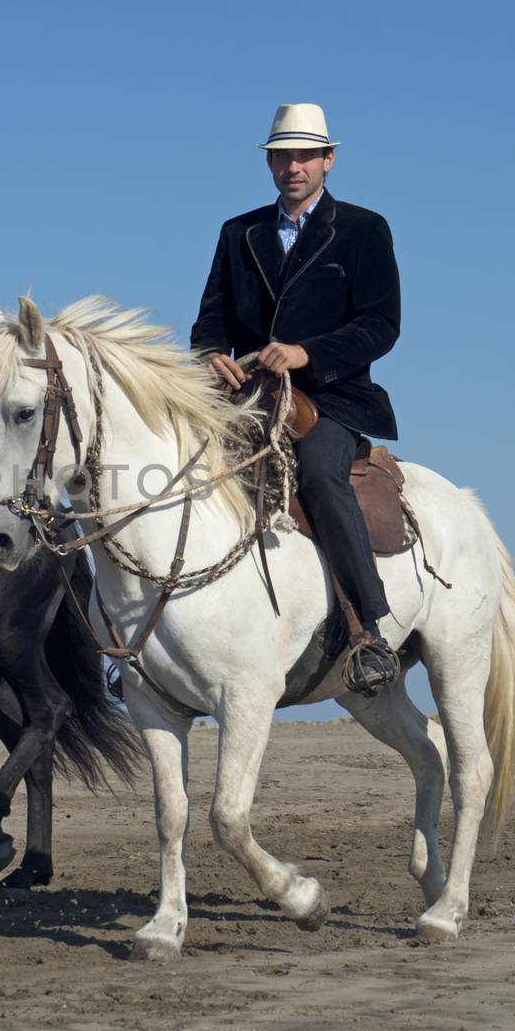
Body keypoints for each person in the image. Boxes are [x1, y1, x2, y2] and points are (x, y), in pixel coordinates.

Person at [190, 104, 402, 695]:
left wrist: (307, 353)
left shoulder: (365, 229)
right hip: (249, 397)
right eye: (282, 156)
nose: (293, 166)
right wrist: (211, 356)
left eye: (305, 155)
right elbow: (209, 326)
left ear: (328, 160)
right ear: (270, 162)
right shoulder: (238, 233)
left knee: (318, 476)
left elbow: (381, 325)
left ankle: (371, 632)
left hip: (334, 398)